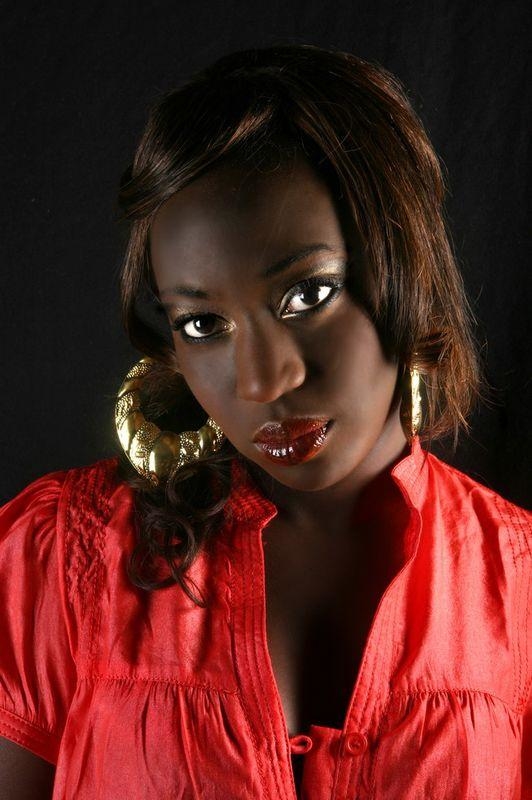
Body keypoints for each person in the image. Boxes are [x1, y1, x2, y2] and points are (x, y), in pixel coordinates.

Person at [0, 44, 530, 800]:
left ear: (405, 269)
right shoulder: (54, 564)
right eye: (203, 323)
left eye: (307, 295)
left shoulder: (521, 589)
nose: (261, 380)